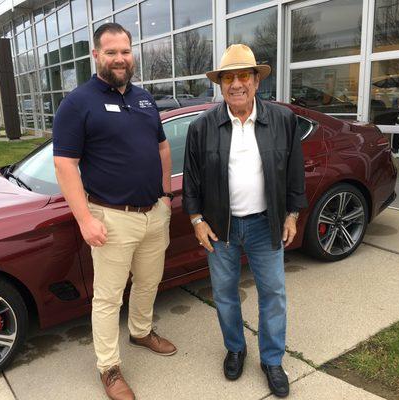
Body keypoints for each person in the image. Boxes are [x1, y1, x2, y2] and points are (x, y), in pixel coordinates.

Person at [52, 23, 176, 400]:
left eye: (125, 51)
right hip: (111, 218)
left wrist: (167, 197)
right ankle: (109, 368)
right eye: (111, 52)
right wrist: (85, 220)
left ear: (131, 53)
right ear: (96, 56)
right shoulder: (78, 103)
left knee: (149, 281)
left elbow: (163, 150)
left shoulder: (143, 99)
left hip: (154, 213)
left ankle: (140, 331)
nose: (120, 58)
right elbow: (64, 164)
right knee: (107, 299)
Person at [182, 44, 307, 398]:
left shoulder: (282, 120)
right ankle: (235, 348)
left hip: (265, 224)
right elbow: (191, 181)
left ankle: (271, 360)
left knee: (273, 294)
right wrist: (196, 220)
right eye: (228, 78)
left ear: (256, 80)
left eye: (243, 76)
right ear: (220, 85)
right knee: (224, 294)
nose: (236, 84)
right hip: (220, 229)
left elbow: (295, 173)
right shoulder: (202, 127)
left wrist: (293, 215)